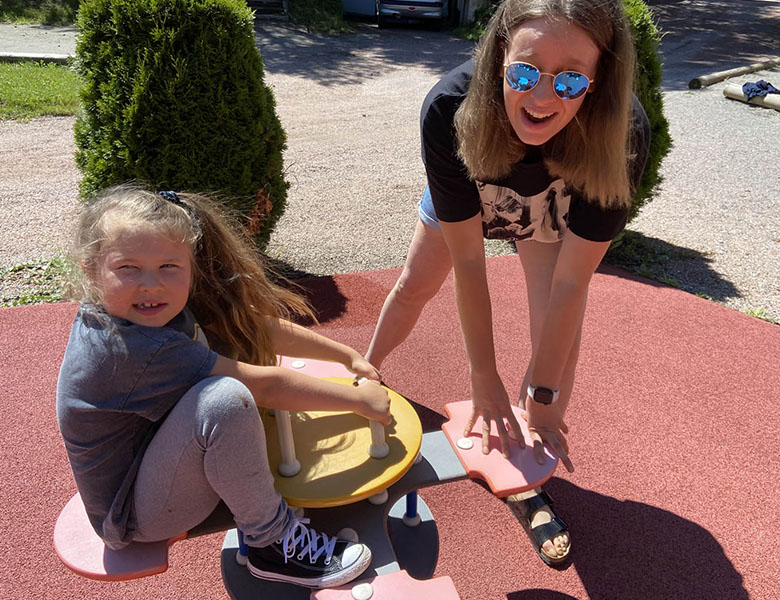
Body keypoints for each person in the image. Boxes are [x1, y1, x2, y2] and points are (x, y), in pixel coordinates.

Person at [364, 0, 651, 569]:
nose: (542, 97)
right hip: (476, 180)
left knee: (555, 339)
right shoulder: (449, 107)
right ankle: (364, 374)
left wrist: (541, 402)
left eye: (570, 80)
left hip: (551, 199)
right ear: (499, 55)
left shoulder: (623, 133)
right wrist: (483, 377)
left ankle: (527, 479)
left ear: (598, 79)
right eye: (524, 72)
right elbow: (469, 264)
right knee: (415, 285)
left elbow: (570, 287)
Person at [56, 185, 392, 589]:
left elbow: (251, 327)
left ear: (190, 265)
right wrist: (360, 401)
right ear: (91, 270)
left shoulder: (139, 310)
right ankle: (273, 544)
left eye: (168, 266)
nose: (151, 284)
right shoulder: (131, 348)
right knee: (225, 398)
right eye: (128, 268)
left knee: (224, 348)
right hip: (137, 517)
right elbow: (265, 388)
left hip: (151, 463)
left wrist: (345, 355)